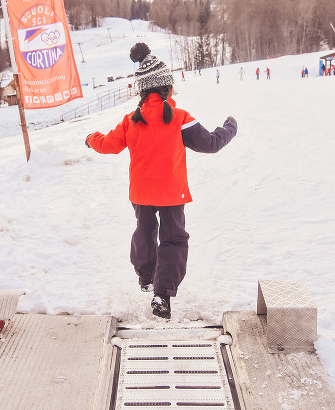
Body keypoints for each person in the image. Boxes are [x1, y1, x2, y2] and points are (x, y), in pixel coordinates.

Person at [85, 43, 237, 320]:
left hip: (141, 192)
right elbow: (211, 144)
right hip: (171, 193)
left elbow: (107, 144)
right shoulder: (179, 119)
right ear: (167, 88)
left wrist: (90, 138)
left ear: (142, 90)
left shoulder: (131, 120)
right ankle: (162, 293)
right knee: (173, 239)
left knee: (144, 230)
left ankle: (145, 276)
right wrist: (229, 129)